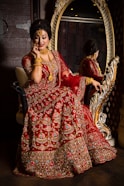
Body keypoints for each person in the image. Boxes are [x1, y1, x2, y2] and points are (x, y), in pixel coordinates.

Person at [13, 19, 117, 179]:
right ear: (32, 39)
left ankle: (74, 157)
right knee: (66, 96)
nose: (40, 41)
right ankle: (67, 160)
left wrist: (89, 80)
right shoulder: (27, 58)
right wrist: (37, 58)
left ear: (49, 38)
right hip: (37, 97)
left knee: (68, 98)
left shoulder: (55, 55)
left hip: (55, 94)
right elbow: (36, 79)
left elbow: (67, 76)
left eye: (44, 37)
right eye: (36, 37)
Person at [79, 39, 104, 106]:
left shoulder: (91, 61)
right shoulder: (88, 62)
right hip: (89, 89)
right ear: (95, 52)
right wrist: (104, 78)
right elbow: (94, 76)